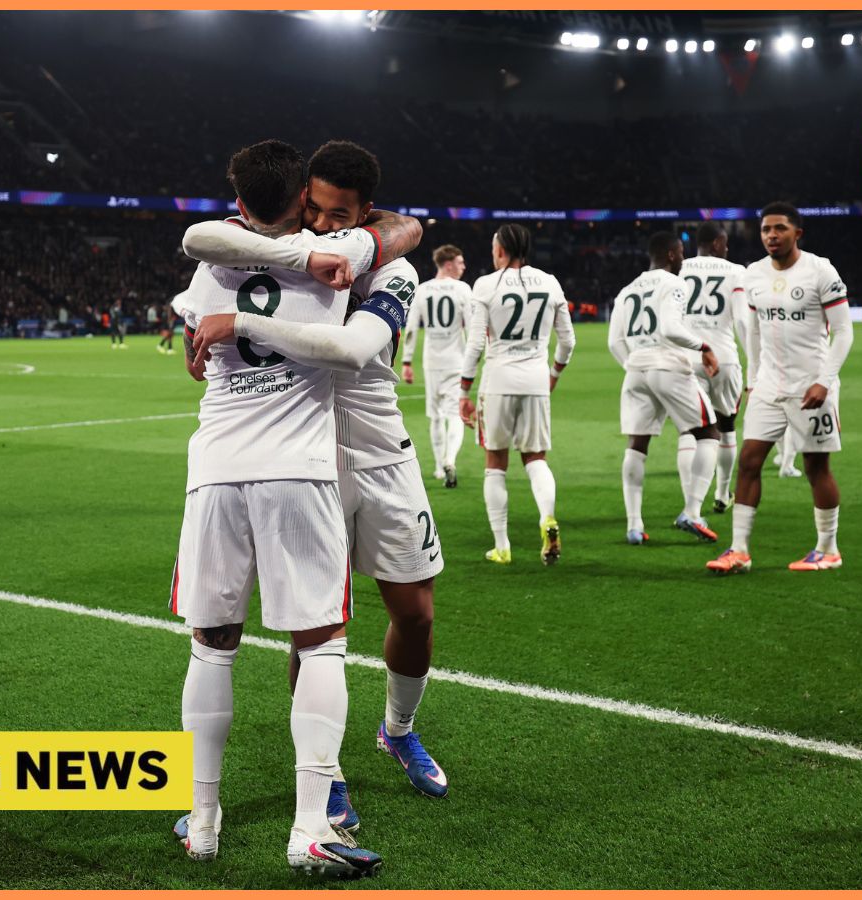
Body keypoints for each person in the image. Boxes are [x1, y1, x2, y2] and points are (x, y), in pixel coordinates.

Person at [171, 139, 421, 879]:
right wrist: (318, 254)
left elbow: (200, 250)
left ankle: (204, 820)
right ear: (302, 201)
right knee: (319, 643)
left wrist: (234, 322)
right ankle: (311, 828)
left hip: (214, 471)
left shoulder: (211, 259)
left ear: (238, 196)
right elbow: (392, 246)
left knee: (211, 644)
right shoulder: (337, 251)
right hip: (299, 472)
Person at [708, 202, 854, 576]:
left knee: (815, 467)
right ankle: (739, 550)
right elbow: (753, 334)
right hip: (769, 386)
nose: (771, 235)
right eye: (765, 230)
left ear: (797, 233)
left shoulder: (820, 271)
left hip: (812, 386)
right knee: (749, 461)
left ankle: (828, 549)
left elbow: (843, 331)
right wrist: (753, 381)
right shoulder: (753, 275)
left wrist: (826, 380)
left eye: (779, 229)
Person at [458, 224, 576, 566]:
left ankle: (502, 546)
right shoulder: (550, 282)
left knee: (495, 463)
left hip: (498, 381)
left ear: (500, 250)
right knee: (536, 459)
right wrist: (553, 374)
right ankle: (547, 519)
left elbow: (477, 343)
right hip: (536, 381)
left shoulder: (485, 285)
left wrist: (464, 390)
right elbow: (568, 341)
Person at [609, 231, 721, 545]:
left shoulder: (627, 289)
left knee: (637, 443)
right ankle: (693, 510)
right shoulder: (674, 283)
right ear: (671, 254)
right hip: (668, 364)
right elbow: (671, 329)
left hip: (636, 369)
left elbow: (614, 341)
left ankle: (634, 525)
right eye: (681, 251)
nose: (683, 256)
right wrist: (704, 346)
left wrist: (634, 365)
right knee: (708, 433)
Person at [677, 222, 748, 514]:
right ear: (717, 243)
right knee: (727, 427)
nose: (728, 248)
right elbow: (743, 321)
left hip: (686, 359)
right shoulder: (736, 272)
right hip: (724, 359)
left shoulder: (679, 269)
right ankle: (721, 494)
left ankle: (689, 504)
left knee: (688, 432)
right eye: (726, 242)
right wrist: (754, 362)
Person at [402, 245, 471, 487]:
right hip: (457, 361)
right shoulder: (463, 289)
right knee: (455, 415)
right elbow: (472, 328)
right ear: (449, 264)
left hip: (432, 361)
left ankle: (440, 468)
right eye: (460, 263)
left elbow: (411, 328)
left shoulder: (422, 290)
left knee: (435, 416)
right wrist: (475, 360)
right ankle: (450, 459)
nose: (463, 267)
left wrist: (407, 361)